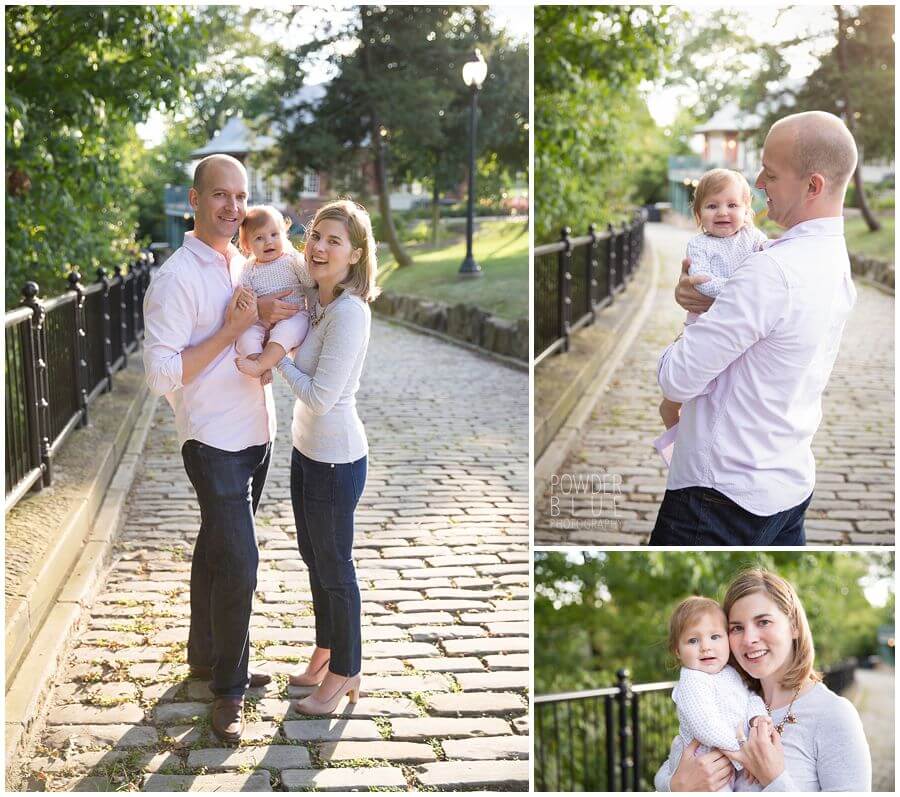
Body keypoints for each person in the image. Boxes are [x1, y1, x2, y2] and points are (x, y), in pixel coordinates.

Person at [650, 112, 859, 546]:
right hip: (788, 485)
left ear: (813, 185)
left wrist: (691, 318)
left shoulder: (770, 270)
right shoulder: (833, 257)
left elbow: (677, 377)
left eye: (772, 172)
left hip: (719, 495)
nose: (759, 181)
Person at [143, 154, 277, 744]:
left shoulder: (245, 262)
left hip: (258, 432)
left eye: (241, 196)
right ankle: (229, 689)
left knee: (218, 547)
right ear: (195, 200)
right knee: (241, 561)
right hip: (212, 439)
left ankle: (206, 655)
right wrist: (226, 332)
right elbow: (160, 376)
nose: (233, 208)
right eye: (220, 195)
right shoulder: (174, 279)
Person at [238, 199, 379, 715]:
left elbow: (321, 396)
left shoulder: (348, 313)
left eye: (334, 241)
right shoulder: (316, 299)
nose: (319, 246)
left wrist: (273, 363)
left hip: (337, 460)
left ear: (355, 254)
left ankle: (347, 670)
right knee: (314, 557)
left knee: (336, 567)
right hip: (307, 450)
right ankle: (326, 652)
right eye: (316, 235)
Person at [656, 569, 872, 792]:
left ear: (794, 626)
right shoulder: (731, 695)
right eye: (737, 628)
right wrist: (675, 786)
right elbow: (673, 764)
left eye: (763, 622)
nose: (749, 639)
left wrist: (774, 779)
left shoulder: (833, 714)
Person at [654, 169, 769, 464]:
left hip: (736, 326)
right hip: (703, 322)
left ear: (747, 210)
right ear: (699, 213)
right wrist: (738, 290)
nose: (723, 212)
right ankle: (675, 436)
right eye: (712, 205)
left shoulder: (754, 238)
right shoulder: (699, 245)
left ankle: (703, 449)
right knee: (688, 380)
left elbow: (769, 267)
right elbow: (702, 281)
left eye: (732, 205)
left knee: (720, 393)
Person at [665, 596, 770, 792]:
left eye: (715, 637)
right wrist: (743, 754)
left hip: (730, 762)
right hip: (704, 764)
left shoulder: (729, 673)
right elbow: (705, 725)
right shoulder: (692, 679)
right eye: (693, 640)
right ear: (677, 650)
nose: (706, 647)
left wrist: (758, 716)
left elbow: (750, 699)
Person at [234, 204, 315, 379]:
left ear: (284, 236)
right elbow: (245, 293)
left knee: (284, 332)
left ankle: (261, 364)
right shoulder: (248, 268)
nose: (269, 242)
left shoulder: (291, 259)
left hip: (294, 317)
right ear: (247, 245)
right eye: (259, 238)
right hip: (262, 320)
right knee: (245, 336)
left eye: (274, 235)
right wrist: (243, 299)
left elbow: (309, 281)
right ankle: (260, 365)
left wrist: (304, 261)